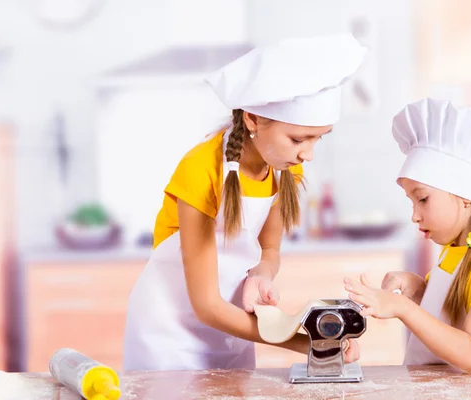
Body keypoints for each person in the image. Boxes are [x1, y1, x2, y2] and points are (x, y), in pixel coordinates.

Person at [123, 33, 368, 371]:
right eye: (298, 139)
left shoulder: (284, 168)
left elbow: (269, 251)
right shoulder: (201, 171)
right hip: (169, 336)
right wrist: (309, 344)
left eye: (317, 139)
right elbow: (206, 305)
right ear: (253, 119)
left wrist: (260, 277)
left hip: (234, 327)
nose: (307, 154)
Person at [344, 98, 471, 372]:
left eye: (422, 199)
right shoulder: (454, 250)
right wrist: (419, 292)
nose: (414, 215)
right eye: (412, 202)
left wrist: (403, 307)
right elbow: (450, 318)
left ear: (465, 198)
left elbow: (470, 351)